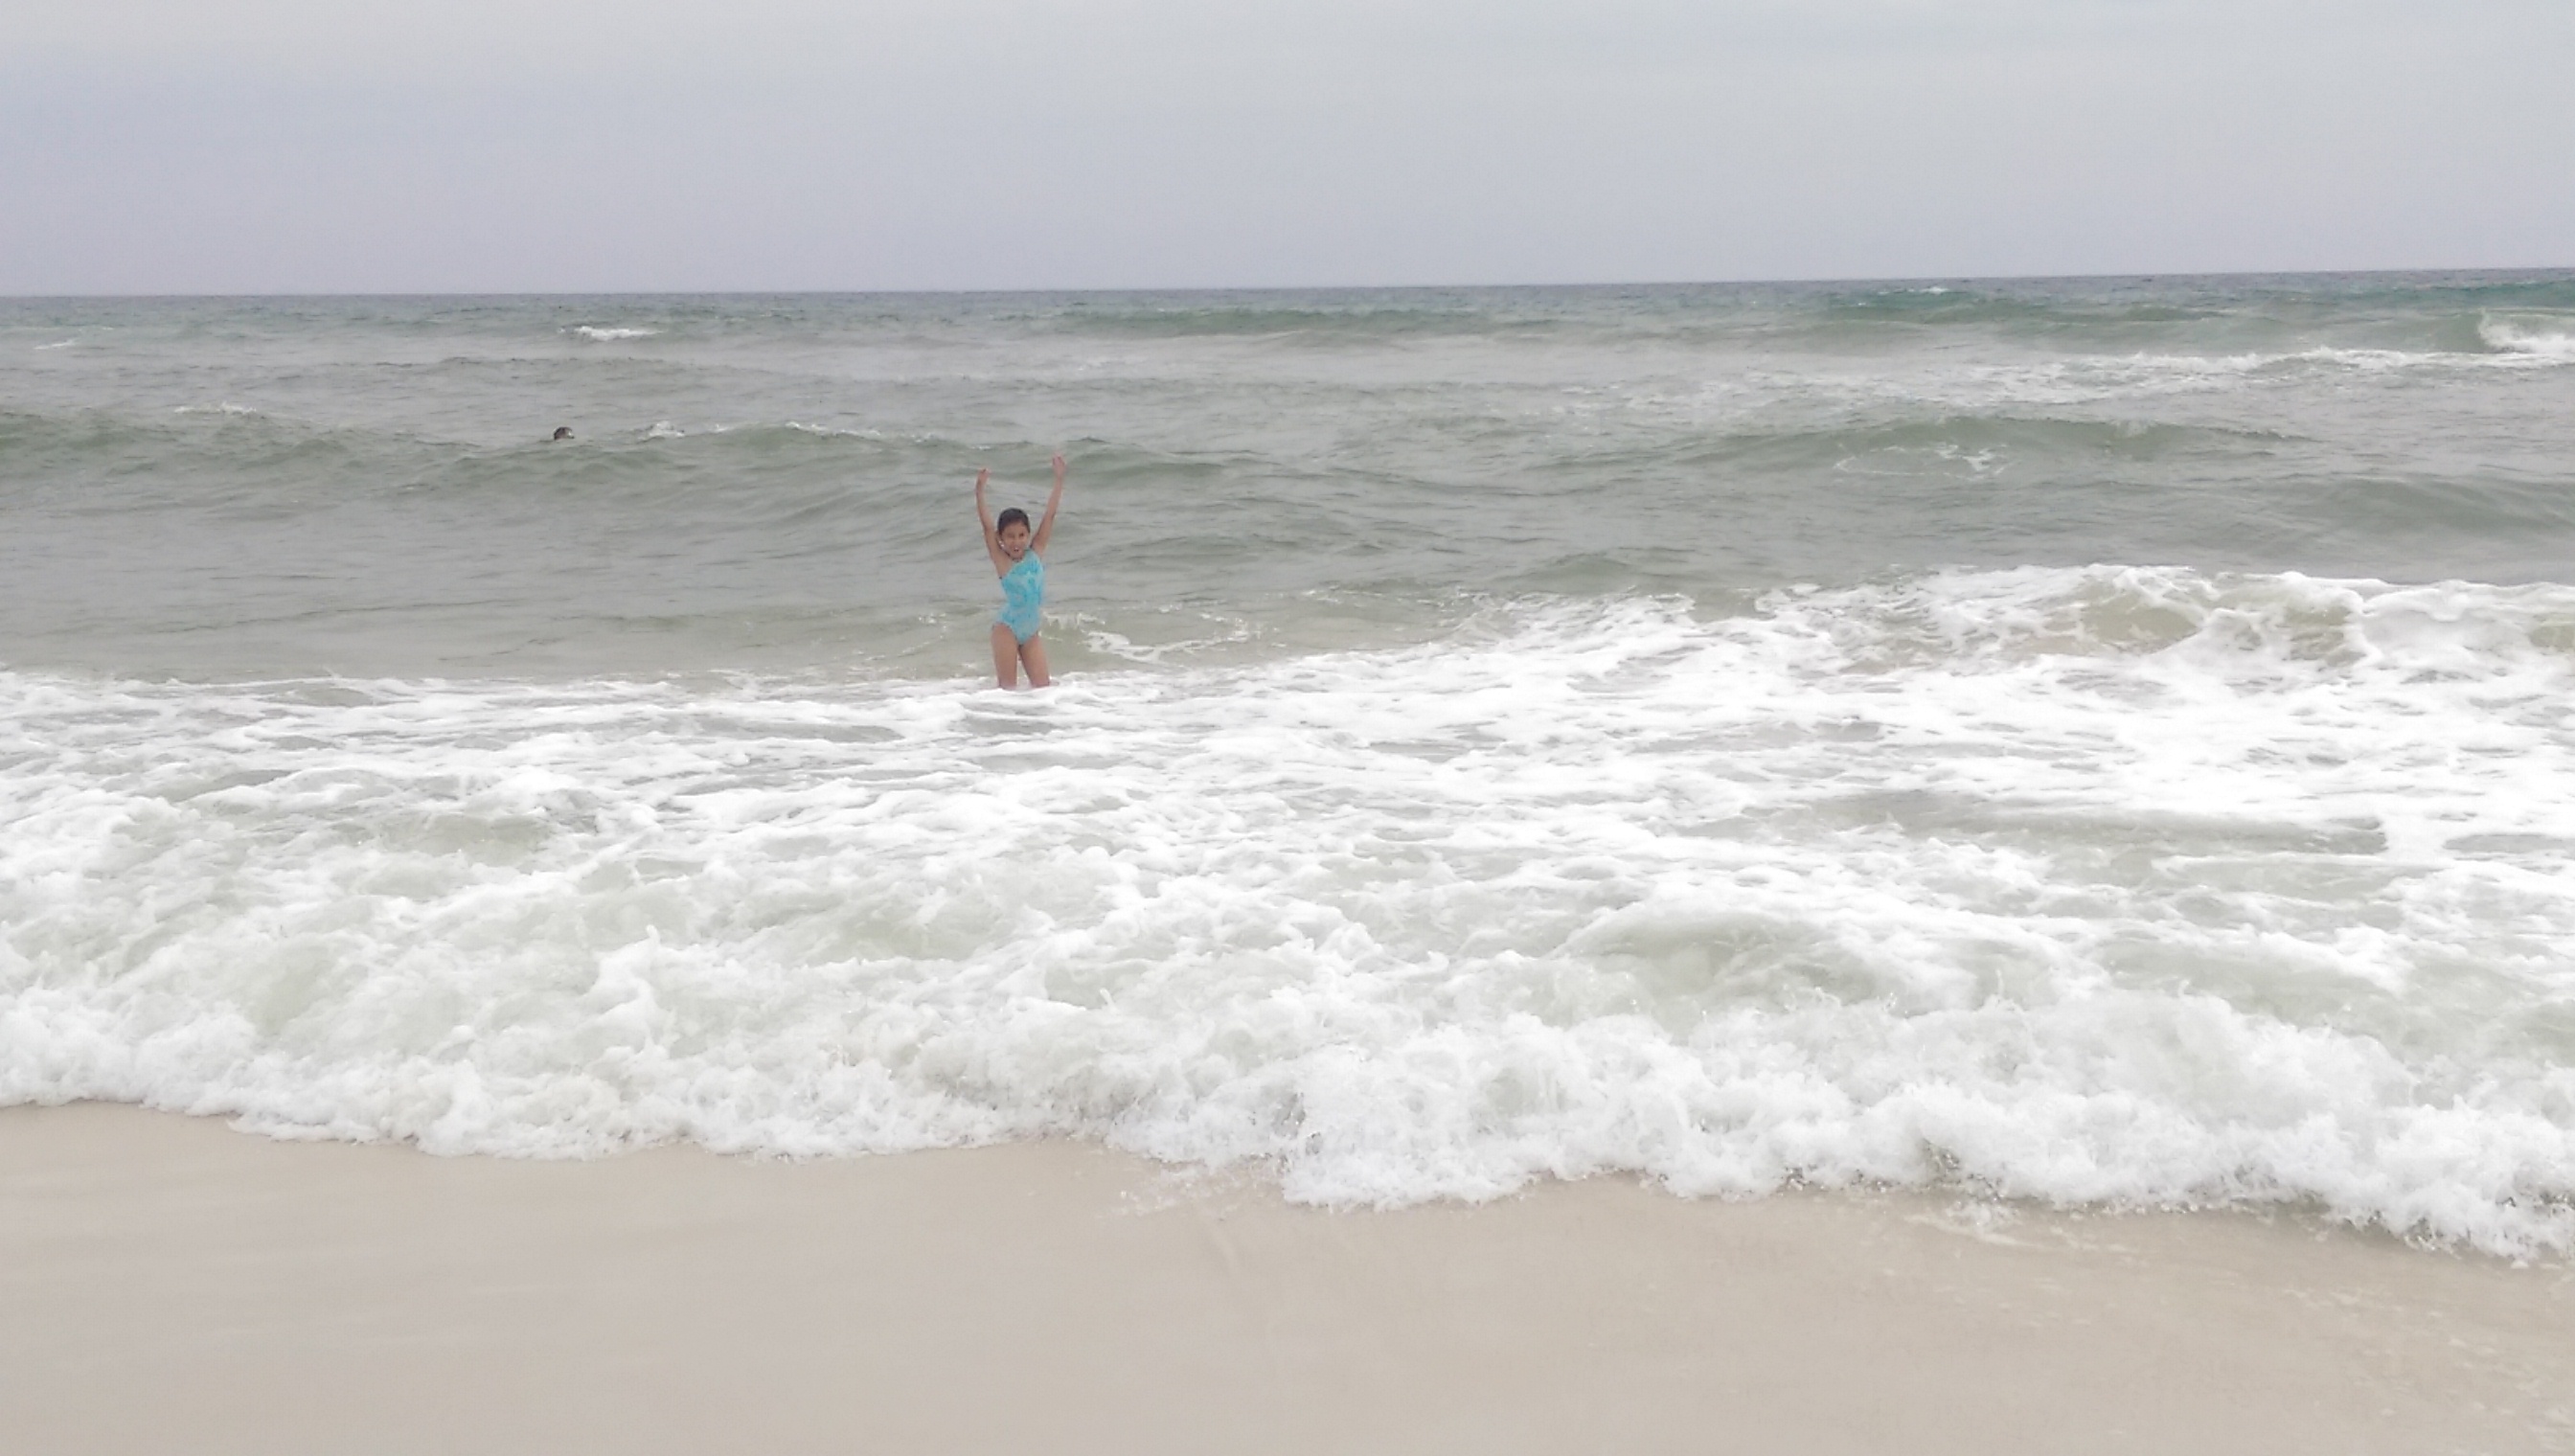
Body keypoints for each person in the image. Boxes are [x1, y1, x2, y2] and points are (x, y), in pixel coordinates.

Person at [975, 454, 1065, 689]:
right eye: (1010, 536)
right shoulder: (1003, 562)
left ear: (1028, 534)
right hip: (1007, 629)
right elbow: (987, 528)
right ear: (1001, 539)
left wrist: (1059, 479)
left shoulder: (1036, 552)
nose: (1017, 542)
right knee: (1007, 690)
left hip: (1030, 631)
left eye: (1021, 535)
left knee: (1044, 689)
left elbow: (1050, 515)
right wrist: (980, 491)